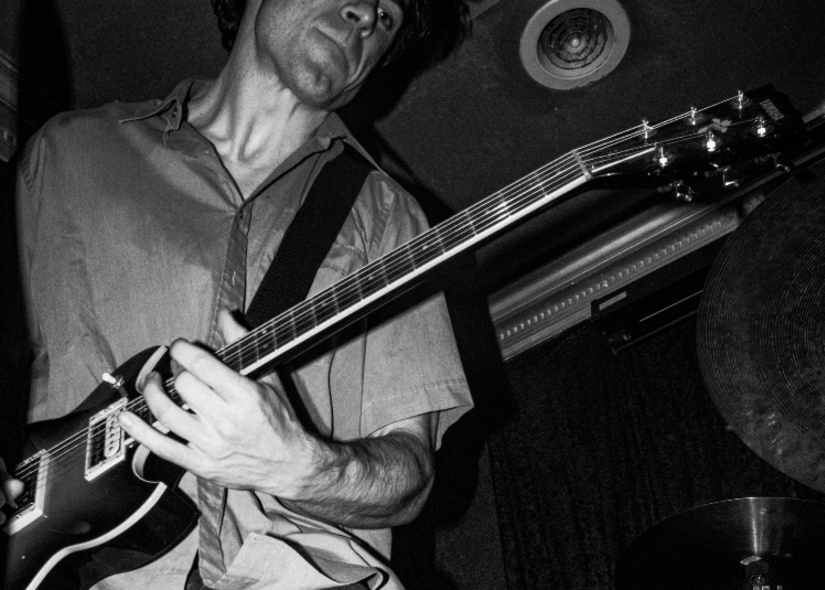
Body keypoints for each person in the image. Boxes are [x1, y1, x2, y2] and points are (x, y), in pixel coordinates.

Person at [1, 0, 473, 588]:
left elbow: (410, 478)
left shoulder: (386, 218)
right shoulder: (68, 152)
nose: (366, 14)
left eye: (390, 16)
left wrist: (297, 466)